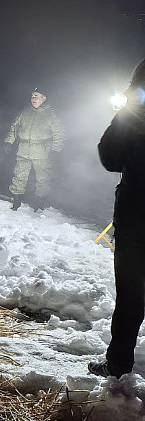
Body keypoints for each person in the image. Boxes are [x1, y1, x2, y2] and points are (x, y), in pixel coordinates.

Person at [89, 60, 145, 377]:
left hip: (136, 216)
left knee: (131, 296)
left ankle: (119, 365)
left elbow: (109, 157)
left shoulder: (134, 114)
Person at [3, 87, 65, 210]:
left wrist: (56, 149)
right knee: (19, 175)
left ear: (44, 98)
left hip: (41, 150)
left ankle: (40, 202)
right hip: (23, 148)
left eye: (37, 96)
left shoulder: (51, 114)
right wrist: (8, 142)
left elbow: (59, 132)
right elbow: (14, 128)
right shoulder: (25, 112)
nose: (33, 99)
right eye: (32, 96)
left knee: (43, 177)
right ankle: (16, 200)